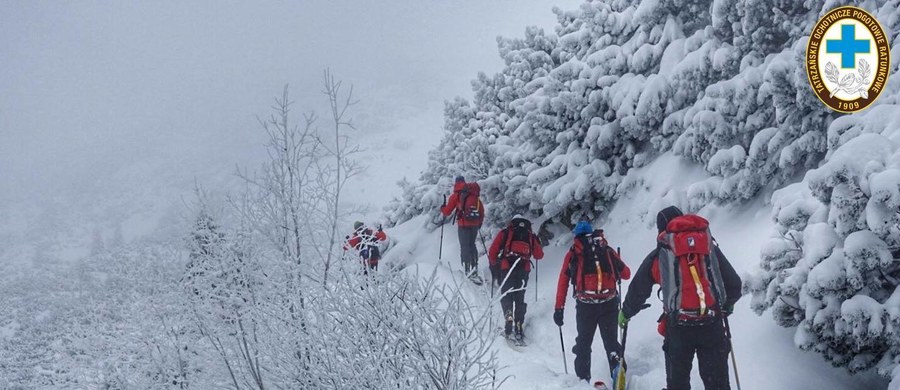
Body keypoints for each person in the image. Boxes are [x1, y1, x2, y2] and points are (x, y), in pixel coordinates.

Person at [619, 206, 742, 390]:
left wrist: (626, 313)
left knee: (678, 385)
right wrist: (728, 304)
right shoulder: (707, 246)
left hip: (678, 328)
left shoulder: (660, 254)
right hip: (712, 324)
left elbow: (638, 289)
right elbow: (734, 283)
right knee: (717, 385)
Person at [553, 221, 631, 382]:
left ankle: (583, 381)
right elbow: (626, 274)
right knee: (611, 342)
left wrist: (559, 308)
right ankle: (618, 375)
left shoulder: (574, 253)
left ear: (576, 235)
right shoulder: (606, 250)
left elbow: (563, 281)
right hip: (609, 303)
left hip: (586, 306)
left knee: (583, 343)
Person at [487, 215, 544, 343]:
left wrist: (494, 263)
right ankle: (518, 325)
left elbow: (492, 252)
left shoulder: (506, 232)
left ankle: (508, 317)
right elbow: (539, 255)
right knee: (519, 297)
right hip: (524, 268)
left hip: (507, 267)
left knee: (507, 295)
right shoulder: (530, 235)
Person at [440, 176, 485, 283]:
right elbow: (481, 210)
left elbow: (447, 212)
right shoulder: (474, 194)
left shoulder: (456, 195)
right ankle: (475, 269)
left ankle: (467, 269)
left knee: (465, 246)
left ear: (456, 183)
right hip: (474, 225)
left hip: (464, 225)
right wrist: (479, 223)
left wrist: (442, 208)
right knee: (472, 245)